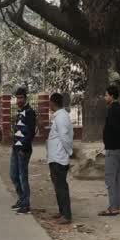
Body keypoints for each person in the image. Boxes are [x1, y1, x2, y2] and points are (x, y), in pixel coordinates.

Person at [99, 86, 120, 217]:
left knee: (110, 179)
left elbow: (114, 128)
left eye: (106, 95)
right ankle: (116, 206)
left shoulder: (112, 110)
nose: (105, 98)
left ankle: (113, 207)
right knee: (117, 179)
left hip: (112, 148)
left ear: (111, 96)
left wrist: (119, 138)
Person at [46, 93, 73, 225]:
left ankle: (66, 215)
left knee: (61, 186)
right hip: (55, 157)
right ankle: (62, 212)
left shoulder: (61, 117)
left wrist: (69, 152)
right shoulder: (59, 116)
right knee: (58, 186)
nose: (49, 105)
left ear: (53, 103)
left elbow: (65, 137)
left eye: (49, 102)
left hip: (59, 157)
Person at [11, 86, 37, 214]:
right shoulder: (19, 111)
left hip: (23, 150)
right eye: (17, 98)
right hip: (15, 149)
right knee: (13, 175)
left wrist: (24, 148)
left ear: (25, 98)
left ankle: (26, 204)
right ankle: (21, 199)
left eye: (21, 97)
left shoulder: (30, 112)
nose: (19, 100)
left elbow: (31, 133)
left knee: (22, 177)